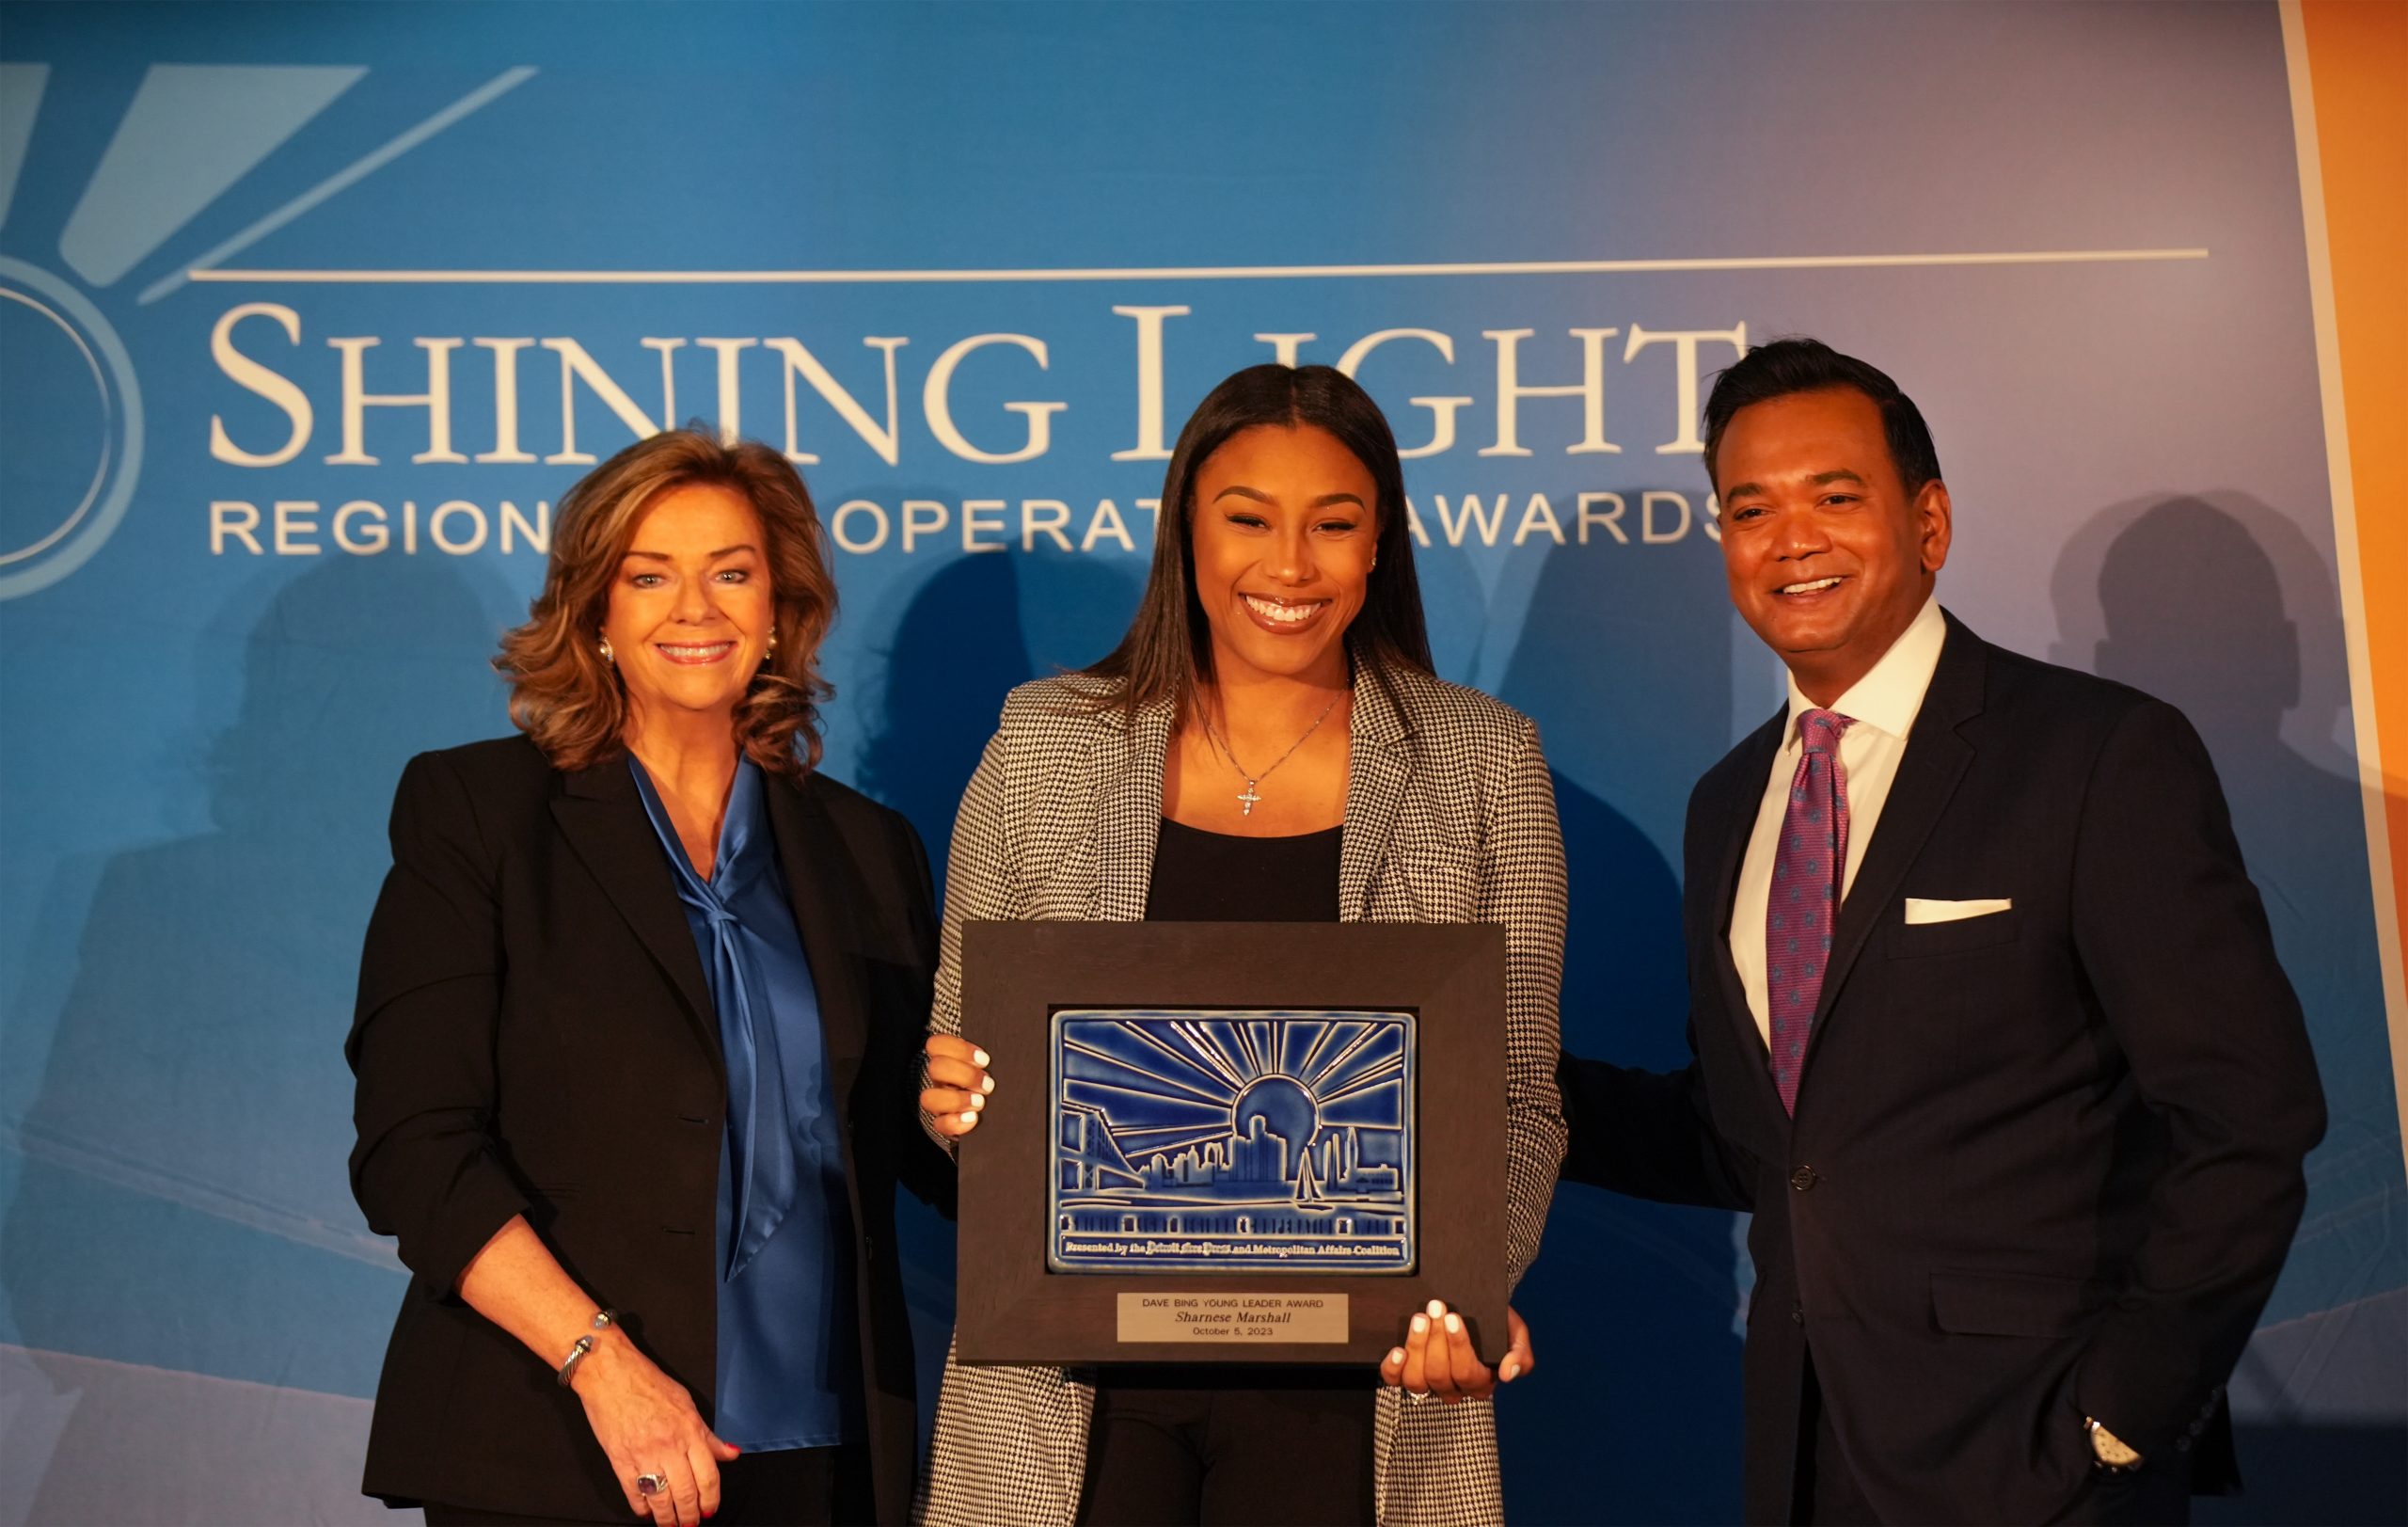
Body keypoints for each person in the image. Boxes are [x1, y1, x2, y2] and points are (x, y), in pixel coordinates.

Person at [1557, 339, 2327, 1525]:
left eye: (1834, 496)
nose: (1790, 539)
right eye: (1749, 508)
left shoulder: (2095, 755)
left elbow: (2246, 1117)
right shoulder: (1729, 801)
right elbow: (1759, 1138)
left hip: (2042, 1459)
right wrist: (1485, 1090)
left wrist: (2122, 1415)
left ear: (1929, 522)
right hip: (1805, 1451)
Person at [911, 364, 1563, 1526]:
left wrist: (1466, 1288)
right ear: (1186, 532)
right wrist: (957, 1106)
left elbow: (1516, 1093)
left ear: (1379, 546)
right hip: (1073, 1392)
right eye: (1248, 518)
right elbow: (967, 1064)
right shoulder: (1042, 743)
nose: (1290, 565)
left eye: (1334, 523)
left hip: (1363, 1391)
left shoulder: (1483, 764)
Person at [346, 429, 951, 1527]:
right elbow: (412, 1148)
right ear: (595, 612)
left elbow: (917, 1152)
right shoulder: (479, 815)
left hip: (819, 1449)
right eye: (649, 574)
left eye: (731, 571)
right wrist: (603, 1367)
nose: (696, 608)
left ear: (780, 609)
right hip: (553, 1441)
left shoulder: (867, 848)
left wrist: (963, 1110)